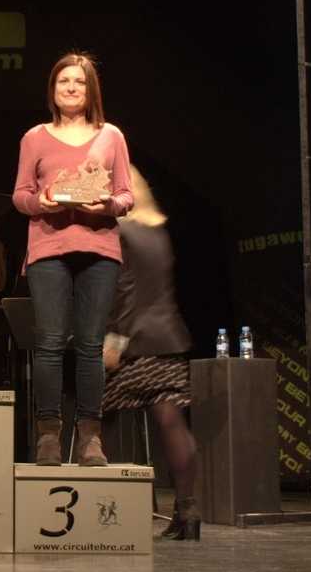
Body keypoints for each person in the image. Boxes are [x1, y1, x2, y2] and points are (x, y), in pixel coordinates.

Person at [12, 53, 132, 466]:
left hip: (99, 250)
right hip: (49, 249)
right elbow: (21, 195)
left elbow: (126, 195)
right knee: (48, 344)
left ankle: (90, 438)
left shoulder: (111, 136)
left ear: (90, 90)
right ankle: (48, 435)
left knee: (90, 347)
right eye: (64, 81)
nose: (71, 88)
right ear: (53, 89)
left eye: (79, 82)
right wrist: (41, 203)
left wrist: (107, 205)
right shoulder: (34, 137)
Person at [102, 165, 199, 541]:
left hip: (135, 342)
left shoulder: (121, 231)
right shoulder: (158, 229)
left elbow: (124, 291)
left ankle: (100, 511)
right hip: (168, 339)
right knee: (172, 424)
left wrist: (115, 340)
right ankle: (188, 513)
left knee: (94, 422)